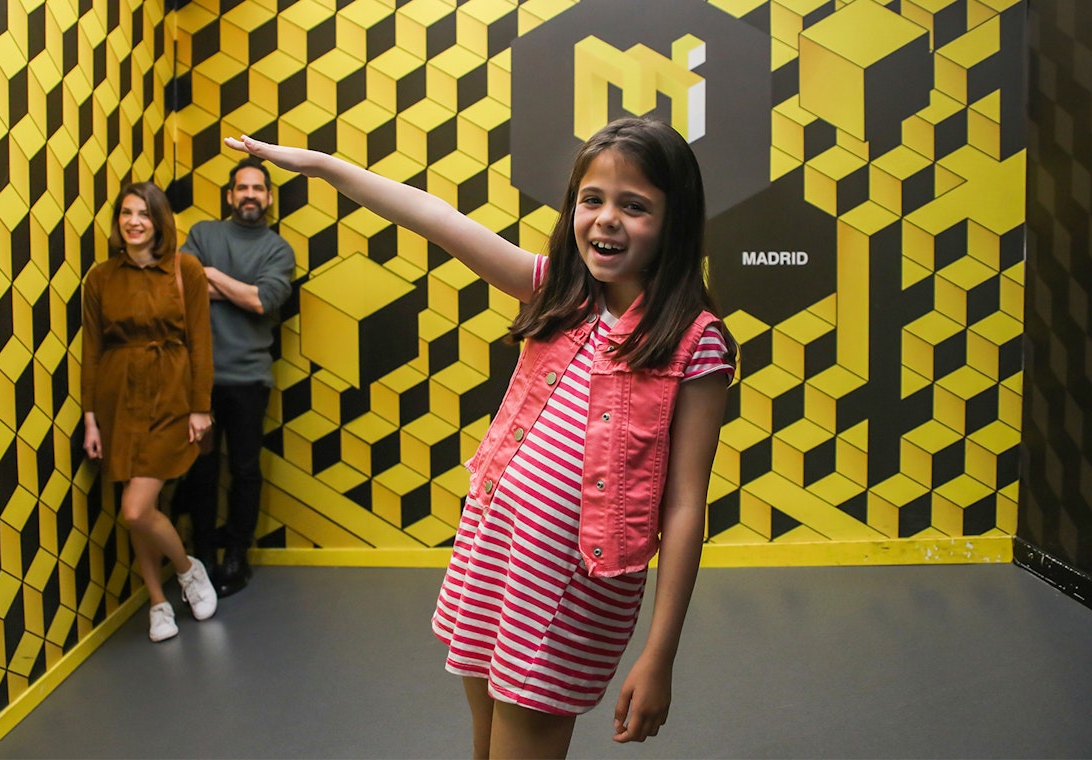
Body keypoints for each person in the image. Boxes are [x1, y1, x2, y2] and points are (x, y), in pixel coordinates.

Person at [227, 116, 736, 758]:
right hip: (495, 545)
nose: (607, 219)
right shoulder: (561, 290)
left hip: (570, 583)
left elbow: (686, 504)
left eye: (634, 206)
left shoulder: (694, 340)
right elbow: (434, 217)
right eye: (592, 199)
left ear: (674, 220)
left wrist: (660, 654)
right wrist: (323, 165)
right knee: (487, 740)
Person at [81, 181, 220, 642]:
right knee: (138, 509)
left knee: (136, 509)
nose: (134, 222)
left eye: (143, 213)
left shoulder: (185, 268)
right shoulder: (101, 277)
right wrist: (90, 417)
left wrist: (201, 407)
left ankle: (187, 570)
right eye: (126, 213)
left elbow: (201, 342)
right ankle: (158, 603)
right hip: (118, 400)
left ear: (159, 221)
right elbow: (92, 351)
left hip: (171, 398)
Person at [178, 157, 296, 596]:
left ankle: (237, 557)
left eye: (257, 188)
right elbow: (180, 288)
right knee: (201, 470)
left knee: (245, 469)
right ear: (230, 195)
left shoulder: (278, 249)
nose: (250, 195)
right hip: (198, 381)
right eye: (242, 188)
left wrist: (209, 274)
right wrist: (240, 290)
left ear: (268, 197)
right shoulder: (203, 234)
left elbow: (263, 301)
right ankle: (204, 556)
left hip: (249, 379)